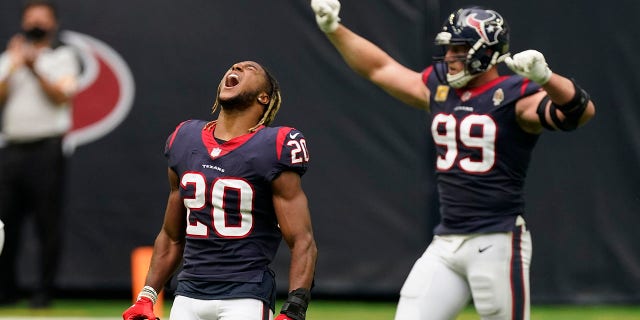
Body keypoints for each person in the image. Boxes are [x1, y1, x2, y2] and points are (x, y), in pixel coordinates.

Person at [310, 1, 595, 319]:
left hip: (496, 240)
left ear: (487, 51)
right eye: (448, 49)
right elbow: (380, 69)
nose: (449, 57)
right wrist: (333, 29)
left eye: (458, 49)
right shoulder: (441, 88)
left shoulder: (515, 94)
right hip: (447, 241)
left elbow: (580, 113)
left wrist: (546, 78)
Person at [122, 61, 318, 320]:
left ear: (264, 97)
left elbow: (302, 240)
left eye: (250, 69)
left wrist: (295, 307)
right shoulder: (185, 138)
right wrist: (147, 296)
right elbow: (171, 236)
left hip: (245, 295)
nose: (237, 66)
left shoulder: (274, 145)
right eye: (235, 66)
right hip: (188, 294)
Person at [0, 0, 80, 308]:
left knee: (47, 223)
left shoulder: (63, 57)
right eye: (30, 19)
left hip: (46, 149)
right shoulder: (9, 57)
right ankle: (6, 289)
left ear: (53, 24)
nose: (35, 24)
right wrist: (16, 65)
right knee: (6, 222)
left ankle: (44, 290)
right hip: (12, 149)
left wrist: (35, 68)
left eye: (42, 19)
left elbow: (61, 96)